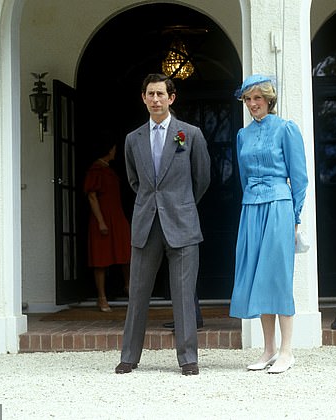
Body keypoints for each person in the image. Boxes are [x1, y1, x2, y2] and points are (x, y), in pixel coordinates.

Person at [115, 73, 211, 376]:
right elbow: (134, 180)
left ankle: (188, 359)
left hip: (182, 222)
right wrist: (153, 203)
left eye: (161, 94)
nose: (155, 99)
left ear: (172, 98)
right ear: (143, 98)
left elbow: (202, 178)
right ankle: (129, 356)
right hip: (146, 223)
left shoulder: (189, 134)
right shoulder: (133, 139)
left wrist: (180, 203)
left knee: (184, 294)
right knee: (138, 293)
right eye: (150, 94)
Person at [229, 74, 308, 374]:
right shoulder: (242, 136)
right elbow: (243, 177)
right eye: (248, 99)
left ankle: (287, 351)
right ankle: (269, 350)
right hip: (251, 208)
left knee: (277, 276)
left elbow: (299, 179)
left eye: (257, 98)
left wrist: (296, 217)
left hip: (279, 206)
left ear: (269, 99)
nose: (252, 104)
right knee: (257, 277)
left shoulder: (286, 129)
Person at [84, 142, 131, 312]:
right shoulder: (96, 169)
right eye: (114, 148)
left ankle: (129, 287)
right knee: (101, 259)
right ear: (108, 149)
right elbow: (92, 196)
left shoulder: (109, 168)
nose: (115, 151)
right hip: (102, 218)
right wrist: (101, 221)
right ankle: (101, 297)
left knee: (125, 253)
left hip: (117, 217)